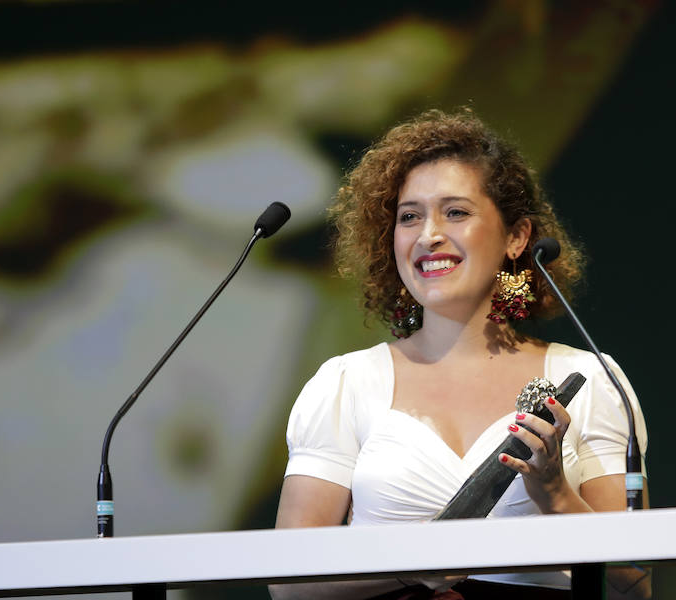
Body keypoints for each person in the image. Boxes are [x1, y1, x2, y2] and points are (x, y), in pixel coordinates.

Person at [269, 109, 650, 600]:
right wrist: (413, 568)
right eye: (409, 216)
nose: (428, 234)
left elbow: (634, 587)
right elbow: (289, 584)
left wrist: (555, 493)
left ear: (517, 238)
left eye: (456, 212)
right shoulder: (345, 382)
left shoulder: (590, 379)